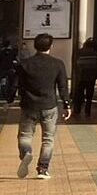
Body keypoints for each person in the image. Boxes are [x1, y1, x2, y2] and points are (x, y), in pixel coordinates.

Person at [16, 33, 68, 180]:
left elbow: (19, 84)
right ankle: (43, 169)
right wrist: (67, 104)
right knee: (48, 139)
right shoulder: (58, 64)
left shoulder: (24, 64)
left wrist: (11, 98)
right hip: (49, 106)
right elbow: (63, 87)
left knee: (25, 136)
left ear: (34, 46)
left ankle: (26, 153)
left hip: (29, 106)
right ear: (51, 46)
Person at [70, 40, 97, 118]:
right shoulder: (96, 54)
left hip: (82, 77)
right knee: (89, 96)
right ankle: (87, 111)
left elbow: (76, 64)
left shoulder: (80, 53)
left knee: (79, 94)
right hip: (91, 78)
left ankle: (77, 110)